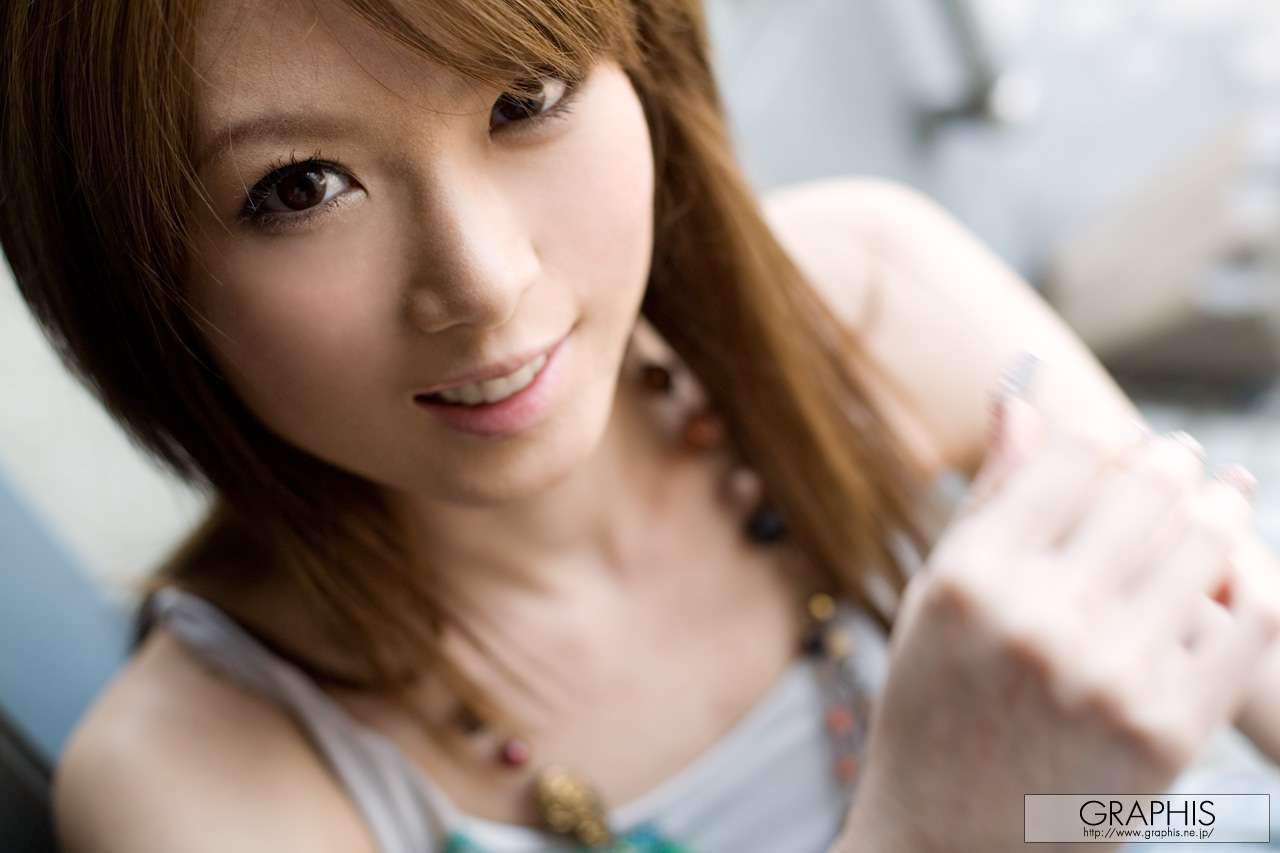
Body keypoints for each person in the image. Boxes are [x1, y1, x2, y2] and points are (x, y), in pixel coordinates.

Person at [1, 1, 1278, 851]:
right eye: (299, 188)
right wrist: (942, 825)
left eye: (526, 97)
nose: (485, 280)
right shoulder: (195, 776)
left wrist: (1087, 811)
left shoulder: (862, 304)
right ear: (135, 280)